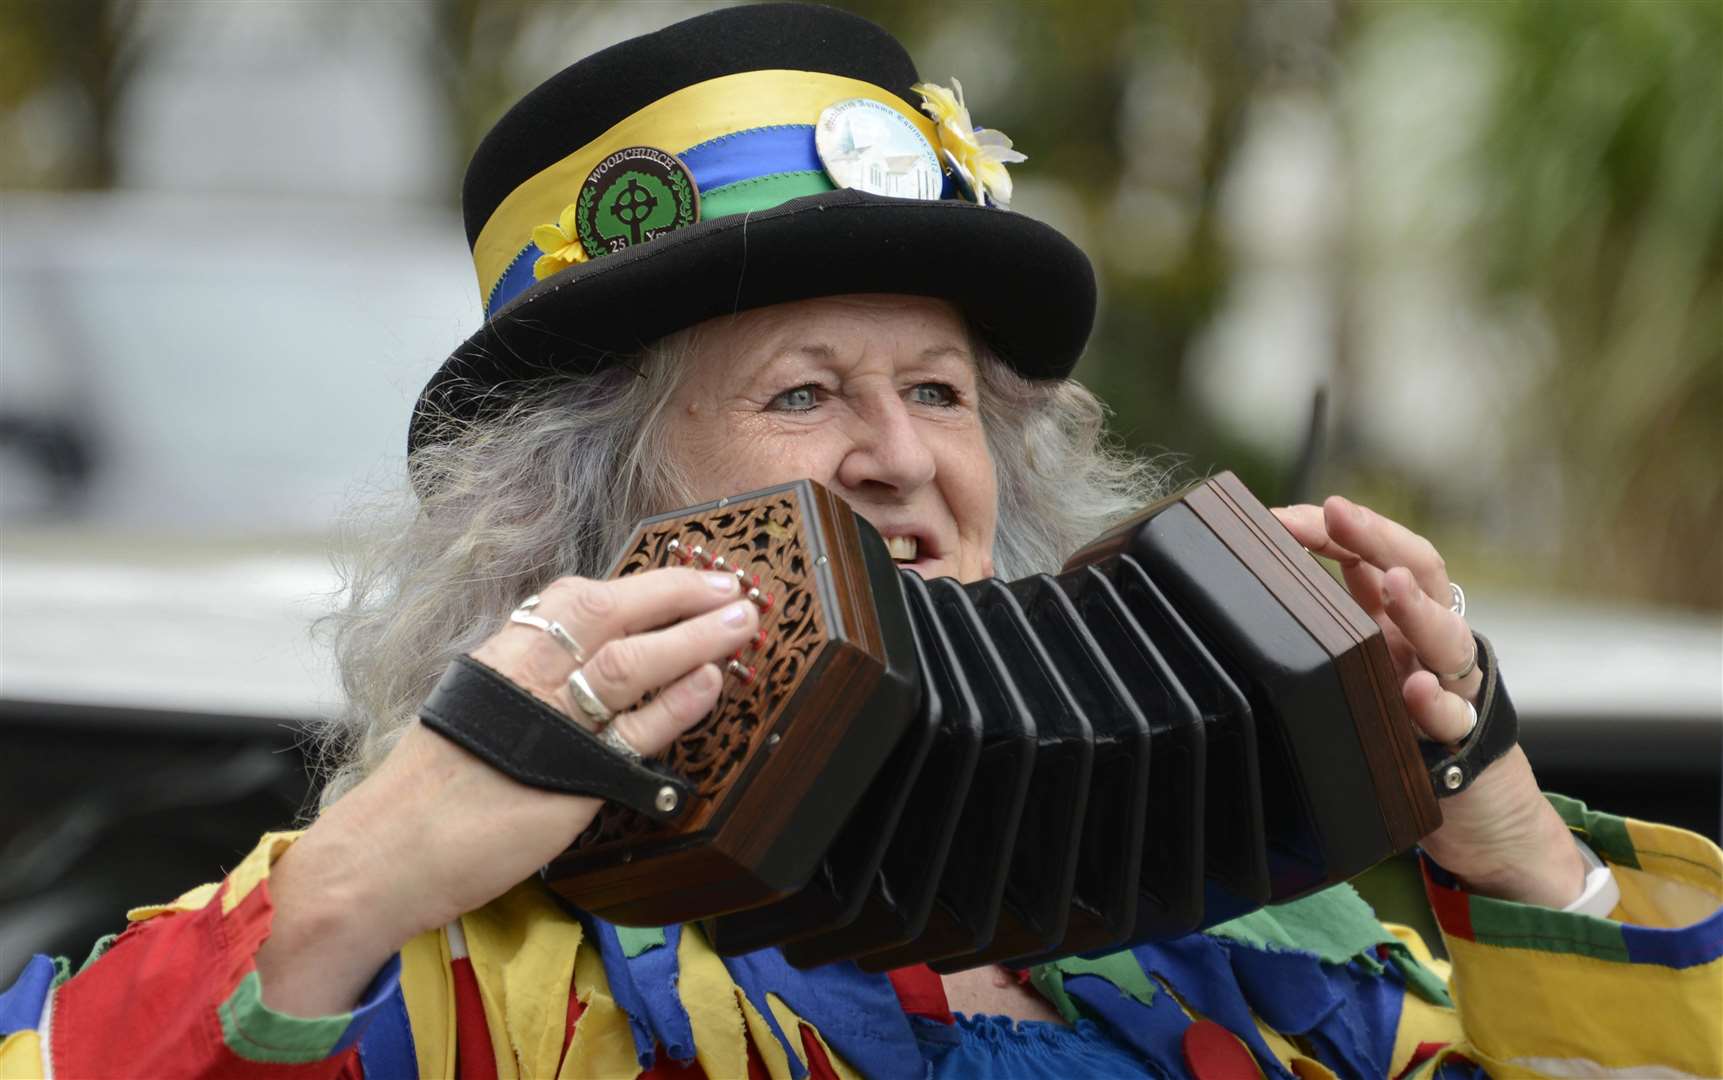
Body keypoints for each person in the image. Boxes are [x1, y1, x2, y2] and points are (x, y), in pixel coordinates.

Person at [3, 6, 1718, 1078]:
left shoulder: (1283, 939)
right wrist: (372, 867)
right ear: (594, 505)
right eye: (806, 395)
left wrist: (1524, 860)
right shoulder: (460, 982)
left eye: (944, 394)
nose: (900, 456)